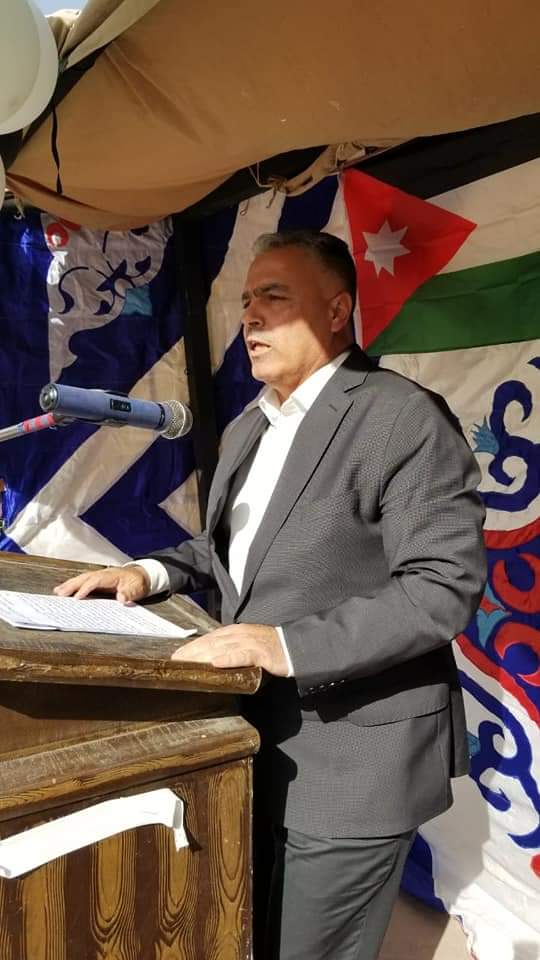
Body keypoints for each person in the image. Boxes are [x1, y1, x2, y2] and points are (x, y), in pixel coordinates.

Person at [56, 229, 487, 960]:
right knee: (245, 930)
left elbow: (442, 586)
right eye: (248, 299)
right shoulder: (251, 425)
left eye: (275, 297)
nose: (250, 316)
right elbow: (229, 552)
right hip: (253, 738)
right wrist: (148, 573)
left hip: (356, 759)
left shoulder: (401, 417)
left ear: (336, 311)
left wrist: (281, 644)